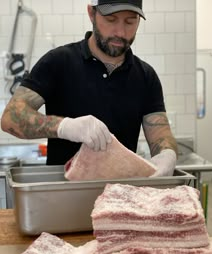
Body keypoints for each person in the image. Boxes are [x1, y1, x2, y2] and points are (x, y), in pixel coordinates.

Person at [1, 0, 178, 176]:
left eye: (130, 22)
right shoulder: (58, 62)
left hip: (122, 195)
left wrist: (167, 154)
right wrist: (65, 127)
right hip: (66, 195)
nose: (120, 32)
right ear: (91, 13)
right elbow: (10, 118)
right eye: (111, 20)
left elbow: (160, 136)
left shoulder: (146, 76)